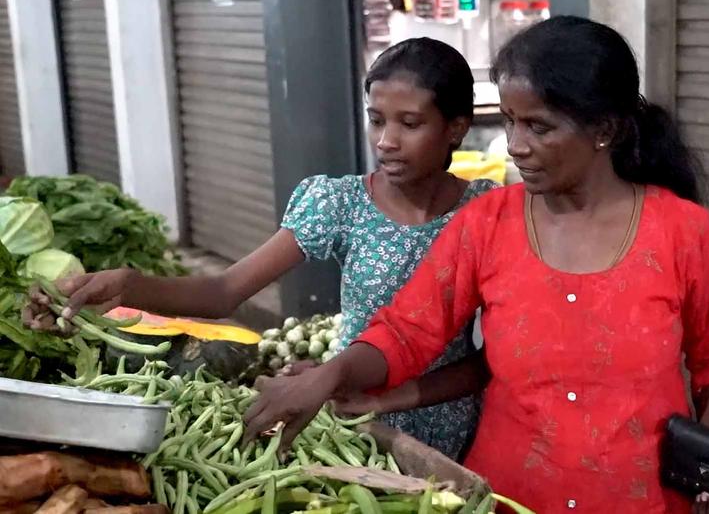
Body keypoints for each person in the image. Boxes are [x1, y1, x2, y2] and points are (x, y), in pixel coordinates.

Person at [245, 16, 709, 513]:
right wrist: (332, 374)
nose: (515, 144)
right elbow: (405, 331)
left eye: (538, 126)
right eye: (509, 120)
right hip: (507, 496)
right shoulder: (487, 223)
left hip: (643, 499)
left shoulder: (682, 231)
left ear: (605, 129)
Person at [25, 37, 498, 462]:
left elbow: (489, 359)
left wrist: (379, 389)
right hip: (350, 415)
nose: (386, 141)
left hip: (452, 419)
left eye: (409, 124)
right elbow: (224, 291)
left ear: (455, 128)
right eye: (376, 120)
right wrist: (128, 285)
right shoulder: (341, 203)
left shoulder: (488, 213)